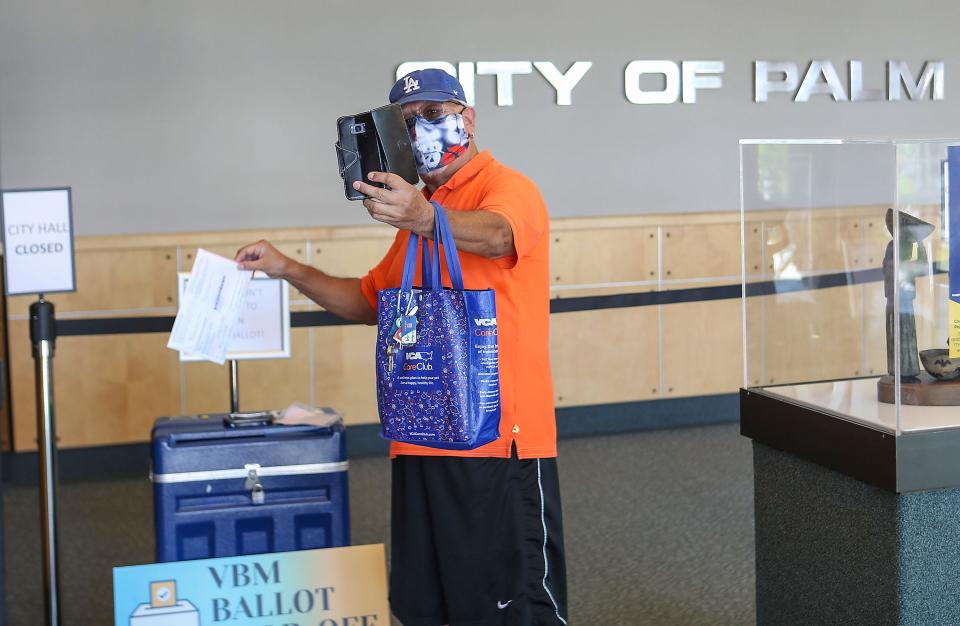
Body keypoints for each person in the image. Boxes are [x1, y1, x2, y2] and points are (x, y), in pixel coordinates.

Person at [235, 68, 566, 626]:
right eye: (409, 122)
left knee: (508, 606)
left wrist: (426, 216)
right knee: (429, 601)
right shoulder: (421, 212)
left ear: (469, 118)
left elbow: (500, 234)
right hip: (420, 437)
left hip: (497, 443)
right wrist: (287, 268)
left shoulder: (506, 189)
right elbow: (369, 301)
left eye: (436, 115)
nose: (424, 129)